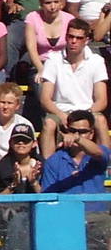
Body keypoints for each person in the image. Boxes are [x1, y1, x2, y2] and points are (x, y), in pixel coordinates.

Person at [37, 18, 109, 157]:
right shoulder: (53, 59)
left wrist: (84, 116)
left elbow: (102, 100)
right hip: (61, 111)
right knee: (49, 123)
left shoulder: (97, 61)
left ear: (87, 40)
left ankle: (105, 162)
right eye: (70, 36)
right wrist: (62, 115)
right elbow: (45, 99)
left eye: (79, 38)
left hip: (87, 111)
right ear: (66, 37)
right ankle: (49, 166)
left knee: (100, 120)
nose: (73, 41)